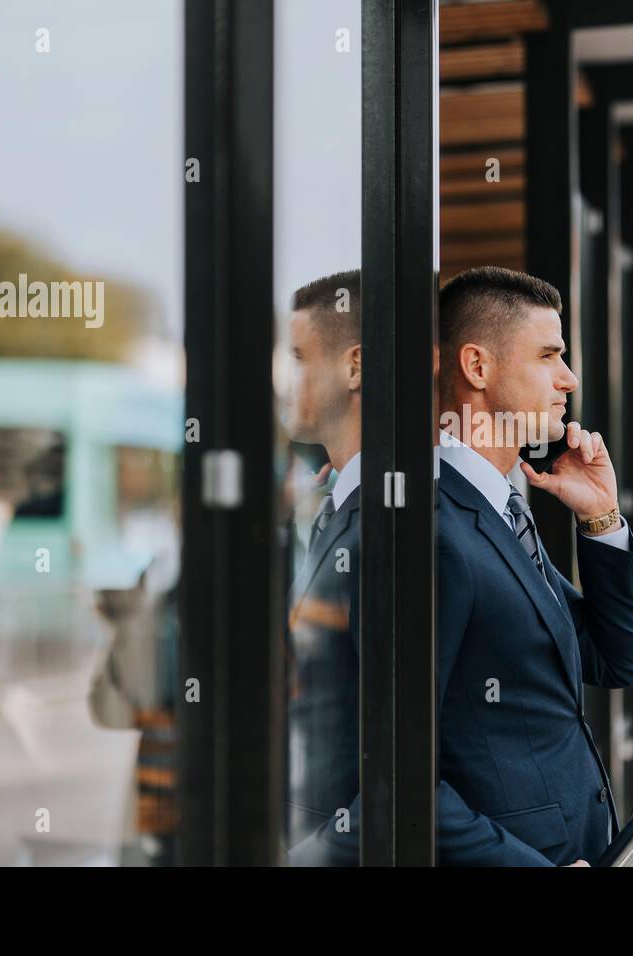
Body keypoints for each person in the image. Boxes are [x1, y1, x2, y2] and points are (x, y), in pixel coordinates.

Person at [432, 266, 633, 866]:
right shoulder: (435, 527)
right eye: (549, 355)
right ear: (478, 367)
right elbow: (397, 769)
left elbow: (616, 658)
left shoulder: (501, 509)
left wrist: (602, 518)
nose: (568, 379)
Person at [278, 270, 363, 864]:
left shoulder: (396, 519)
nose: (288, 380)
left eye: (300, 358)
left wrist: (313, 854)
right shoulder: (337, 504)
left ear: (354, 367)